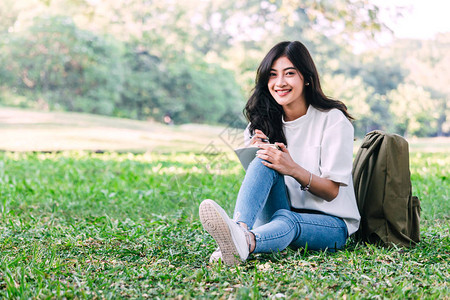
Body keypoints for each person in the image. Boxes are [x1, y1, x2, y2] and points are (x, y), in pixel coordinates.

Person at [199, 41, 360, 265]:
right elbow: (262, 186)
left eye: (289, 73)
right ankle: (240, 230)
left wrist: (291, 168)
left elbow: (332, 192)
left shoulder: (332, 120)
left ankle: (243, 242)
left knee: (288, 219)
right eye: (273, 75)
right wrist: (255, 152)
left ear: (306, 78)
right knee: (264, 158)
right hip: (279, 212)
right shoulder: (261, 122)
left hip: (332, 225)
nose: (280, 82)